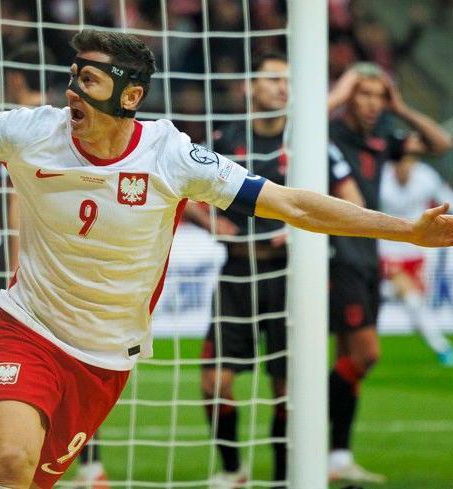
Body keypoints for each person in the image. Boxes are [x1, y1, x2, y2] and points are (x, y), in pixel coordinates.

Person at [0, 30, 453, 489]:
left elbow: (295, 203)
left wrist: (404, 229)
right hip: (26, 326)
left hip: (105, 357)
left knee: (31, 479)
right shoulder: (31, 129)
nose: (71, 90)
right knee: (6, 465)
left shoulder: (172, 154)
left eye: (88, 80)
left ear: (129, 95)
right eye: (72, 77)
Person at [0, 45, 109, 488]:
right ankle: (90, 467)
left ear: (11, 79)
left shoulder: (25, 125)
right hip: (69, 247)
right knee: (80, 359)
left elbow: (16, 203)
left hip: (25, 253)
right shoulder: (67, 121)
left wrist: (15, 269)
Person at [325, 62, 453, 484]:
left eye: (378, 96)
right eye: (363, 94)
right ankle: (313, 436)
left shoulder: (383, 138)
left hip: (367, 255)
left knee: (349, 359)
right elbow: (300, 125)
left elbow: (441, 142)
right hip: (336, 253)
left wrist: (401, 107)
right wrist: (341, 90)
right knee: (366, 355)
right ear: (348, 97)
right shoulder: (327, 133)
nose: (371, 104)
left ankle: (337, 455)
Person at [190, 52, 289, 488]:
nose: (282, 88)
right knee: (213, 381)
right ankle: (232, 474)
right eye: (273, 79)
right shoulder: (227, 138)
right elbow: (188, 189)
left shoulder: (305, 141)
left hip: (289, 276)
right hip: (236, 273)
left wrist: (301, 232)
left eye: (288, 81)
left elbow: (342, 197)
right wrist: (212, 221)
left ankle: (290, 478)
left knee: (288, 386)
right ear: (251, 86)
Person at [379, 132, 453, 368]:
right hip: (383, 253)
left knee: (413, 304)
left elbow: (449, 200)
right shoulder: (380, 178)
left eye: (411, 160)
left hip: (415, 254)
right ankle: (443, 349)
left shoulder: (425, 177)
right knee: (411, 298)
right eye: (402, 160)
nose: (406, 165)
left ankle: (440, 348)